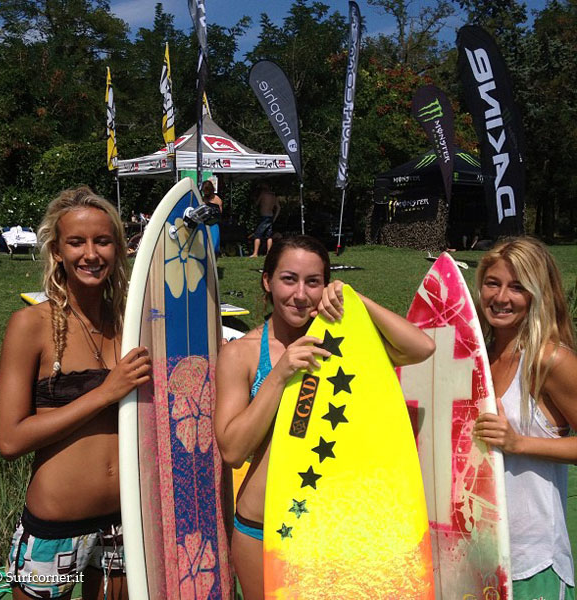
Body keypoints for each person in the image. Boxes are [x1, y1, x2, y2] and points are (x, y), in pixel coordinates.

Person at [214, 235, 435, 600]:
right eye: (289, 279)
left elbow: (421, 347)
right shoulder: (243, 354)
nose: (300, 294)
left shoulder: (340, 343)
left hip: (327, 528)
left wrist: (354, 299)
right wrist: (280, 373)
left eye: (313, 282)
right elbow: (233, 450)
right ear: (267, 281)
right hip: (261, 527)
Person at [0, 186, 151, 600]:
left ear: (119, 248)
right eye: (77, 242)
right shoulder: (31, 325)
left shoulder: (134, 323)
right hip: (56, 526)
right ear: (57, 251)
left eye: (103, 241)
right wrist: (104, 393)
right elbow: (9, 440)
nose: (91, 254)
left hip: (126, 522)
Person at [473, 237, 577, 600]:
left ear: (537, 294)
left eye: (517, 287)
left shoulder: (550, 360)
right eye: (493, 283)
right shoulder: (476, 360)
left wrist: (518, 443)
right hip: (474, 556)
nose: (501, 297)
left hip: (533, 561)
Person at [250, 183, 280, 258]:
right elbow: (278, 207)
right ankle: (268, 252)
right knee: (269, 236)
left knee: (257, 235)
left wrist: (255, 199)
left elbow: (256, 204)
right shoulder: (273, 195)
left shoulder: (263, 194)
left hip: (264, 216)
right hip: (270, 216)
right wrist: (275, 217)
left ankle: (255, 253)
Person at [201, 179, 222, 254]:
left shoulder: (217, 199)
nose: (205, 193)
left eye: (207, 191)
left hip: (213, 224)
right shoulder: (202, 199)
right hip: (204, 224)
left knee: (214, 246)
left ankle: (214, 259)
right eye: (204, 191)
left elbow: (220, 213)